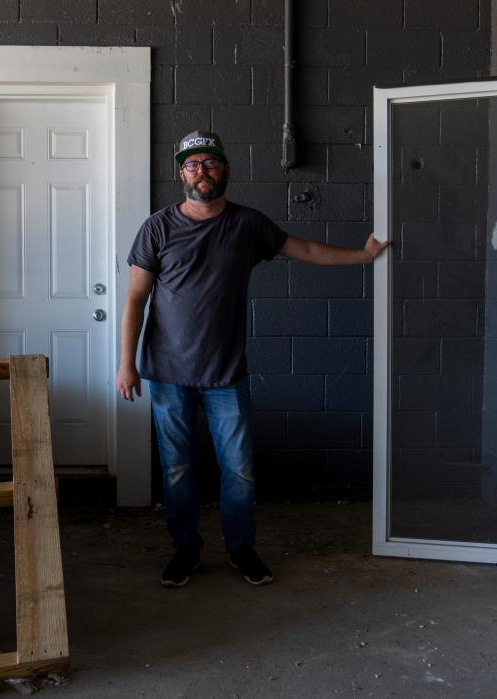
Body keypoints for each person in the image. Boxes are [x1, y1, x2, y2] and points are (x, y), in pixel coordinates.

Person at [117, 130, 390, 587]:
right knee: (177, 467)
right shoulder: (158, 227)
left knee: (239, 468)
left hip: (226, 374)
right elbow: (135, 300)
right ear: (179, 174)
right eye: (191, 164)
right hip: (167, 373)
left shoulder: (248, 225)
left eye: (209, 163)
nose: (201, 171)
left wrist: (363, 256)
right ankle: (185, 549)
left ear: (226, 170)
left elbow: (305, 250)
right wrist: (127, 363)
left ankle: (241, 547)